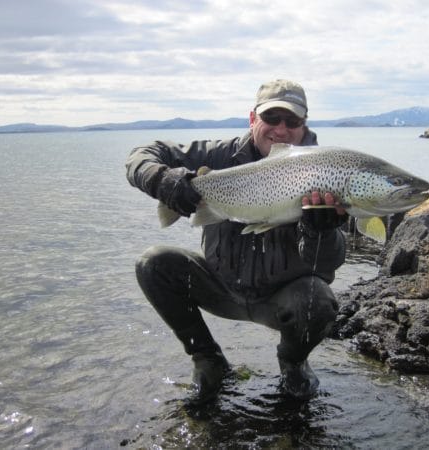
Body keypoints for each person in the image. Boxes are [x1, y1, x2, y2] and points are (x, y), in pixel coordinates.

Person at [125, 79, 348, 405]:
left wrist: (321, 231)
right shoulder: (219, 155)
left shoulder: (322, 174)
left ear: (304, 125)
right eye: (272, 118)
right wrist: (164, 180)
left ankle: (293, 363)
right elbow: (140, 156)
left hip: (282, 300)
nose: (281, 129)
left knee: (318, 299)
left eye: (293, 121)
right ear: (252, 119)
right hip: (221, 287)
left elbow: (326, 265)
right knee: (153, 263)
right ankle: (207, 358)